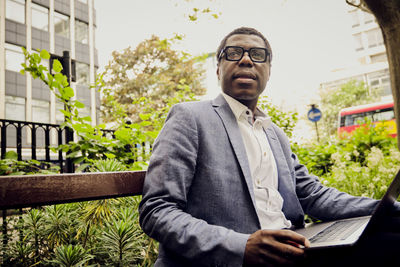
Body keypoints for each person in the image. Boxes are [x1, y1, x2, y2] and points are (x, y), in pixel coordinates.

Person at [138, 27, 387, 266]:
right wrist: (241, 246)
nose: (246, 60)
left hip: (297, 250)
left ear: (268, 71)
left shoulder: (274, 133)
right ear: (218, 69)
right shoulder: (190, 117)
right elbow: (157, 210)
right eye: (234, 53)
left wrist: (386, 207)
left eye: (258, 55)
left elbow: (313, 195)